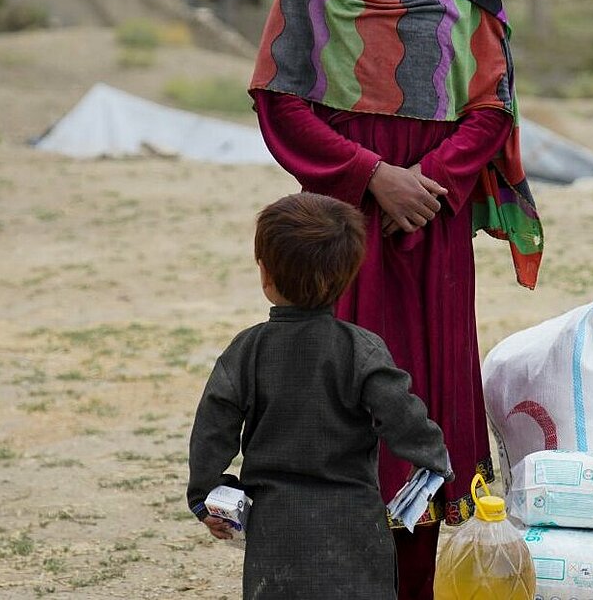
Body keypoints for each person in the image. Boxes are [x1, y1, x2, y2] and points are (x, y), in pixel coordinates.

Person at [248, 0, 541, 600]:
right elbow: (279, 97)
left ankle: (430, 573)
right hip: (346, 221)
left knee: (431, 383)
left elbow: (493, 102)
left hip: (433, 223)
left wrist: (434, 185)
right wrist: (373, 178)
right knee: (346, 383)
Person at [186, 192, 452, 599]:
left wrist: (207, 494)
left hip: (275, 532)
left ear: (265, 274)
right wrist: (432, 457)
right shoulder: (362, 349)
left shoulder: (247, 350)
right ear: (348, 277)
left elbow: (213, 426)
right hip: (355, 524)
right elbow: (401, 413)